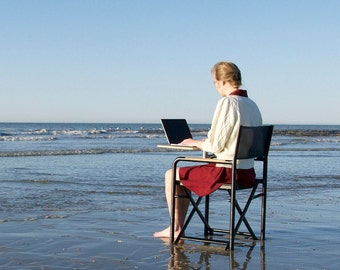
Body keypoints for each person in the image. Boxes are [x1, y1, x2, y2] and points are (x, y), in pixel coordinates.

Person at [153, 61, 262, 239]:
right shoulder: (251, 104)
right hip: (247, 172)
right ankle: (177, 227)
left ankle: (176, 228)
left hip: (227, 172)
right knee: (183, 172)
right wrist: (204, 142)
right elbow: (233, 139)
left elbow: (216, 145)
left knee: (171, 174)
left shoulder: (227, 103)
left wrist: (196, 143)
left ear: (223, 81)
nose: (216, 87)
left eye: (215, 82)